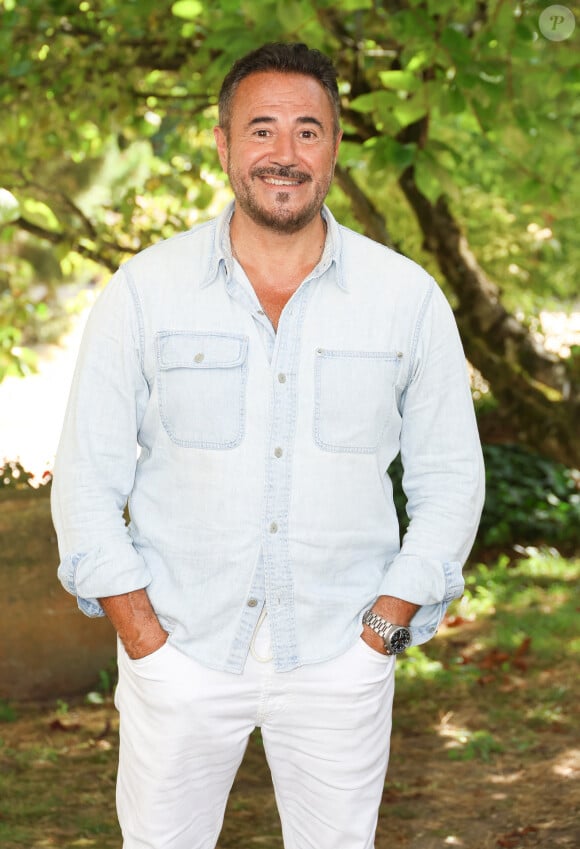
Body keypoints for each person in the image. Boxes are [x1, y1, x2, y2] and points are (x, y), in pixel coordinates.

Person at [51, 41, 485, 849]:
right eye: (261, 130)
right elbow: (84, 480)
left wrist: (381, 635)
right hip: (178, 650)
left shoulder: (407, 300)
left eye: (308, 131)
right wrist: (144, 640)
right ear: (222, 145)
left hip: (339, 656)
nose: (284, 154)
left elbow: (451, 481)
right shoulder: (145, 290)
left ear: (335, 147)